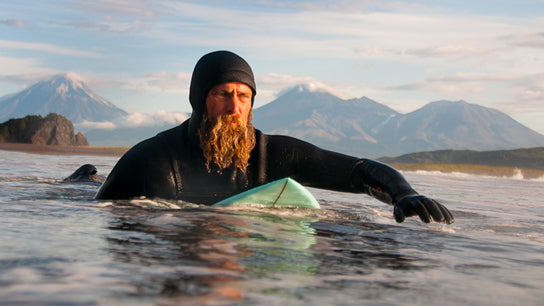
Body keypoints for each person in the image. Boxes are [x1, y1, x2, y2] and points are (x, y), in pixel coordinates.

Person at [96, 50, 454, 224]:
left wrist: (402, 191)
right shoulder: (152, 163)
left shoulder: (271, 155)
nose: (233, 107)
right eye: (222, 93)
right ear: (199, 98)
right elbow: (102, 218)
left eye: (243, 96)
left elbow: (356, 171)